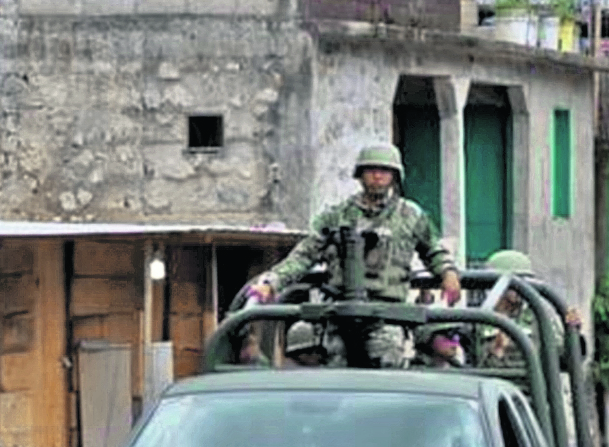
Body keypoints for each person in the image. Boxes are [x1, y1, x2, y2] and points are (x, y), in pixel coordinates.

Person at [244, 144, 462, 368]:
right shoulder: (337, 215)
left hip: (388, 313)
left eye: (384, 171)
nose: (377, 176)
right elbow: (304, 254)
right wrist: (273, 282)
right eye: (371, 170)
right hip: (340, 312)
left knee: (388, 370)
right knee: (336, 374)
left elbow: (433, 250)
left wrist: (447, 271)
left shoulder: (410, 216)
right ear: (360, 175)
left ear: (395, 176)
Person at [478, 249, 584, 371]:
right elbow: (468, 367)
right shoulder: (478, 320)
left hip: (531, 387)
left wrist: (573, 333)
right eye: (516, 280)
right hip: (492, 386)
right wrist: (496, 351)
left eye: (525, 280)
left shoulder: (538, 316)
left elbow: (563, 360)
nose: (520, 287)